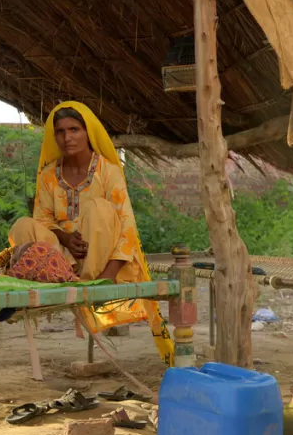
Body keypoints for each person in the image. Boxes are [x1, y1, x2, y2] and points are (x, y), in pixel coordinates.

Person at [9, 101, 174, 364]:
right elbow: (43, 219)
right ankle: (58, 278)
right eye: (60, 131)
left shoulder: (107, 171)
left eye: (74, 129)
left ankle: (89, 285)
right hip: (62, 259)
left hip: (100, 261)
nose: (67, 137)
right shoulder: (49, 175)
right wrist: (64, 238)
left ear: (88, 132)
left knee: (99, 208)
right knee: (22, 225)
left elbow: (127, 225)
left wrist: (108, 277)